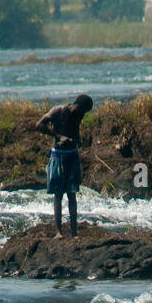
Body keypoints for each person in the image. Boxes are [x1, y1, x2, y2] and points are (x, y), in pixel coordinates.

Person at [35, 94, 94, 238]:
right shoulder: (57, 111)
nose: (81, 115)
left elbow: (74, 130)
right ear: (76, 105)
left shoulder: (78, 115)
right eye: (81, 111)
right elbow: (39, 125)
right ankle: (59, 232)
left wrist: (77, 140)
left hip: (72, 155)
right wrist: (58, 137)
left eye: (84, 113)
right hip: (58, 156)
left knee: (72, 194)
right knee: (58, 195)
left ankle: (74, 233)